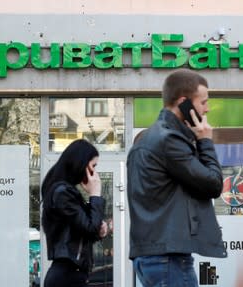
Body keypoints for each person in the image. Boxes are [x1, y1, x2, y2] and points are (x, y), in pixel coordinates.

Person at [127, 69, 227, 287]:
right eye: (203, 102)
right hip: (168, 257)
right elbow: (213, 184)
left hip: (154, 254)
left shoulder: (150, 138)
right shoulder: (169, 141)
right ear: (184, 103)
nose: (207, 108)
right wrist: (205, 141)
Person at [41, 139, 108, 287]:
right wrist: (95, 194)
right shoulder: (62, 192)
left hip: (71, 274)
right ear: (81, 164)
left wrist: (99, 230)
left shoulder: (64, 192)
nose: (94, 173)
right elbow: (89, 227)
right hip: (67, 275)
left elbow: (83, 230)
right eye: (93, 166)